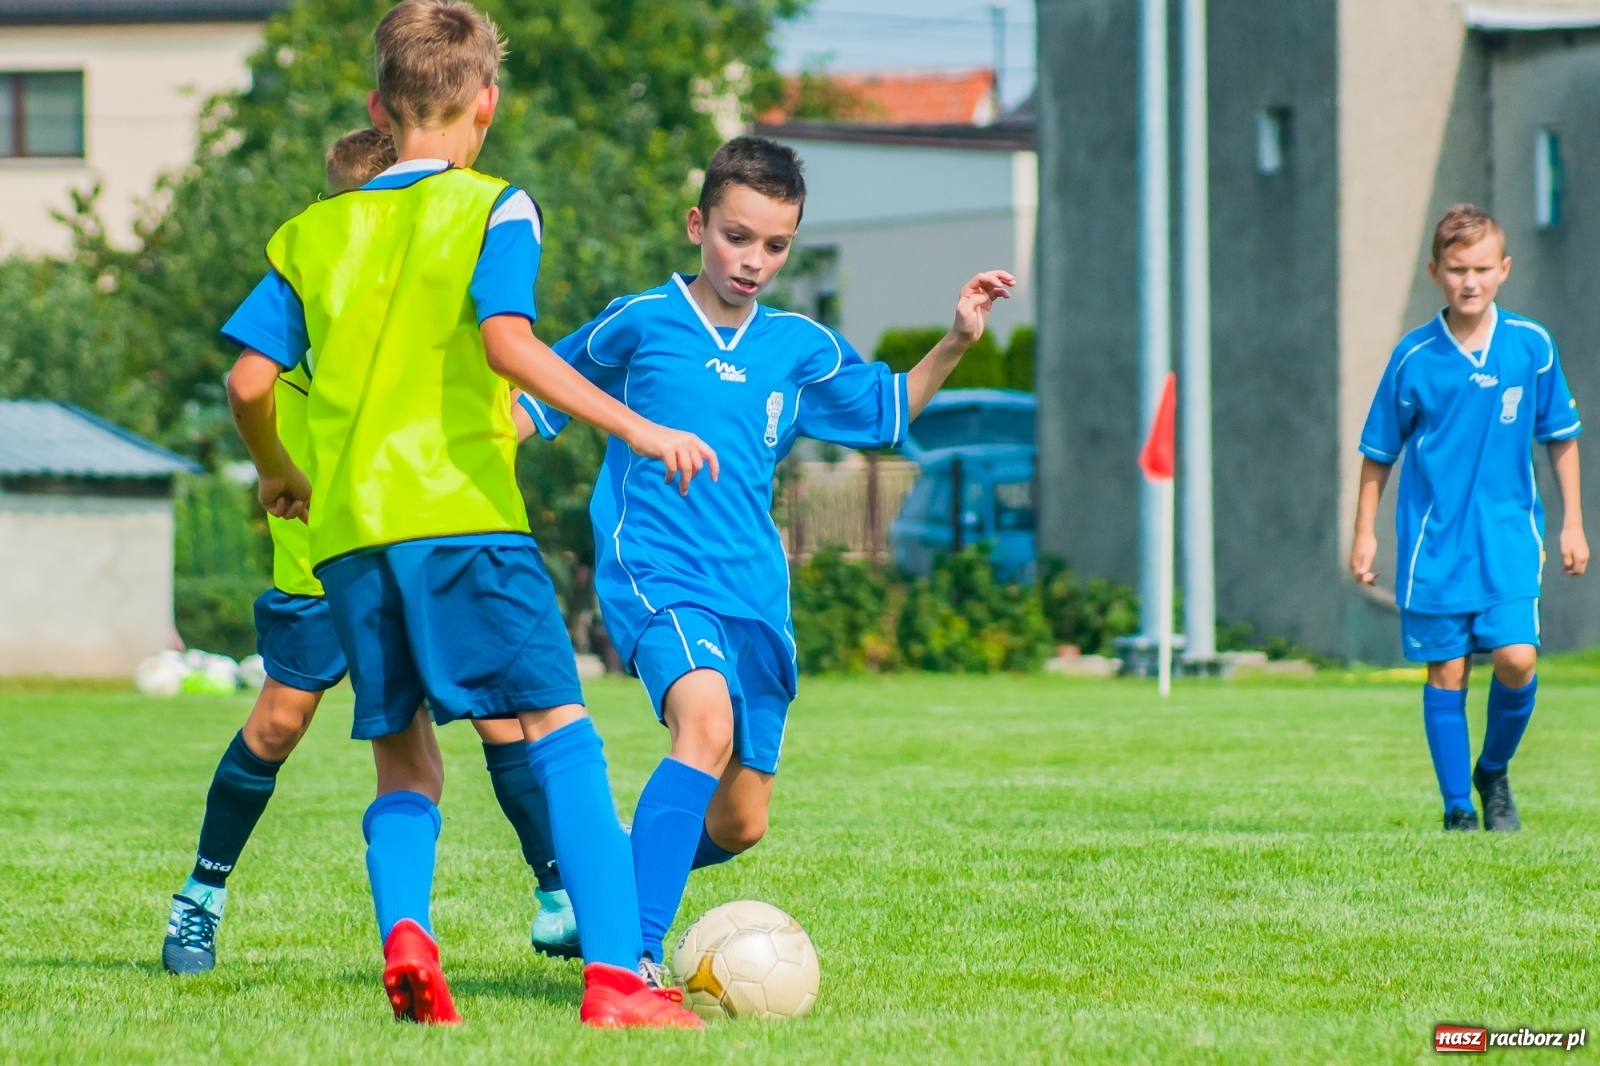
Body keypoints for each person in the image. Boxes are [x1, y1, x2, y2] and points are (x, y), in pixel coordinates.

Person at [221, 0, 712, 1027]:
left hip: (351, 532)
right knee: (559, 725)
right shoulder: (497, 205)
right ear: (485, 104)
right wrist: (635, 426)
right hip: (461, 516)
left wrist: (277, 471)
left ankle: (408, 935)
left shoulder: (311, 231)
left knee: (404, 752)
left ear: (378, 107)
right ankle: (619, 979)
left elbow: (249, 379)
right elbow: (508, 344)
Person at [524, 135, 1014, 978]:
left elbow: (888, 411)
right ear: (697, 225)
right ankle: (628, 956)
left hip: (753, 594)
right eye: (736, 237)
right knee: (703, 723)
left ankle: (607, 880)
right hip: (658, 575)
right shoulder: (639, 323)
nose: (754, 260)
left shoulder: (799, 345)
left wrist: (959, 337)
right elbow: (531, 397)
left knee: (742, 821)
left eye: (776, 245)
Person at [161, 125, 581, 978]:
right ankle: (201, 897)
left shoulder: (421, 330)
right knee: (282, 719)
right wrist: (275, 471)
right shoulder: (298, 337)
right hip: (322, 563)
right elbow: (247, 389)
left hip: (408, 540)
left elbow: (495, 411)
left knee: (495, 720)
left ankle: (555, 898)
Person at [1351, 203, 1587, 832]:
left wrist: (1572, 523)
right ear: (1436, 272)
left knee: (1516, 658)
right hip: (1435, 543)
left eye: (1482, 267)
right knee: (1448, 668)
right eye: (1458, 269)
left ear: (1504, 269)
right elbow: (1378, 452)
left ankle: (1494, 771)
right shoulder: (1414, 357)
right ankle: (1458, 808)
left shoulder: (1531, 346)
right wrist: (1364, 534)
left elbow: (1560, 436)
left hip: (1509, 535)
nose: (1471, 281)